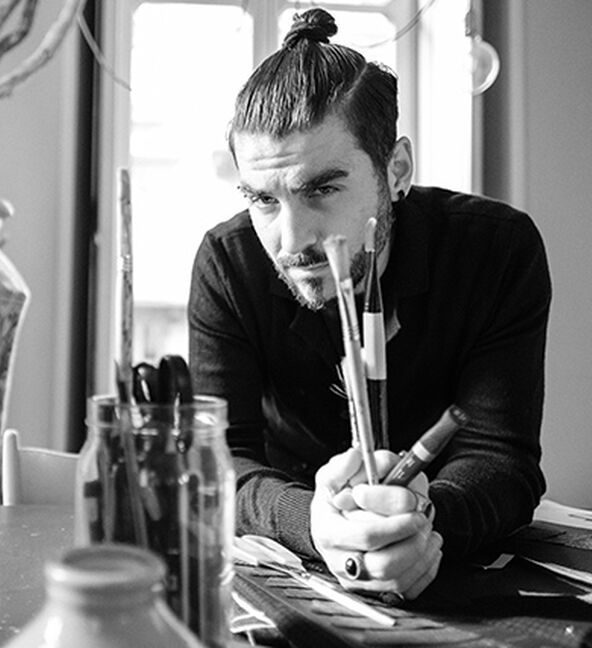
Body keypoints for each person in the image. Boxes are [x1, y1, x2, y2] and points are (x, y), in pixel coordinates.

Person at [188, 8, 550, 601]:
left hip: (453, 558)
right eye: (263, 200)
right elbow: (219, 460)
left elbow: (501, 455)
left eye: (323, 189)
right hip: (287, 561)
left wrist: (423, 521)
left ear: (397, 170)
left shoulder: (497, 250)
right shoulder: (228, 264)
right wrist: (313, 521)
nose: (291, 237)